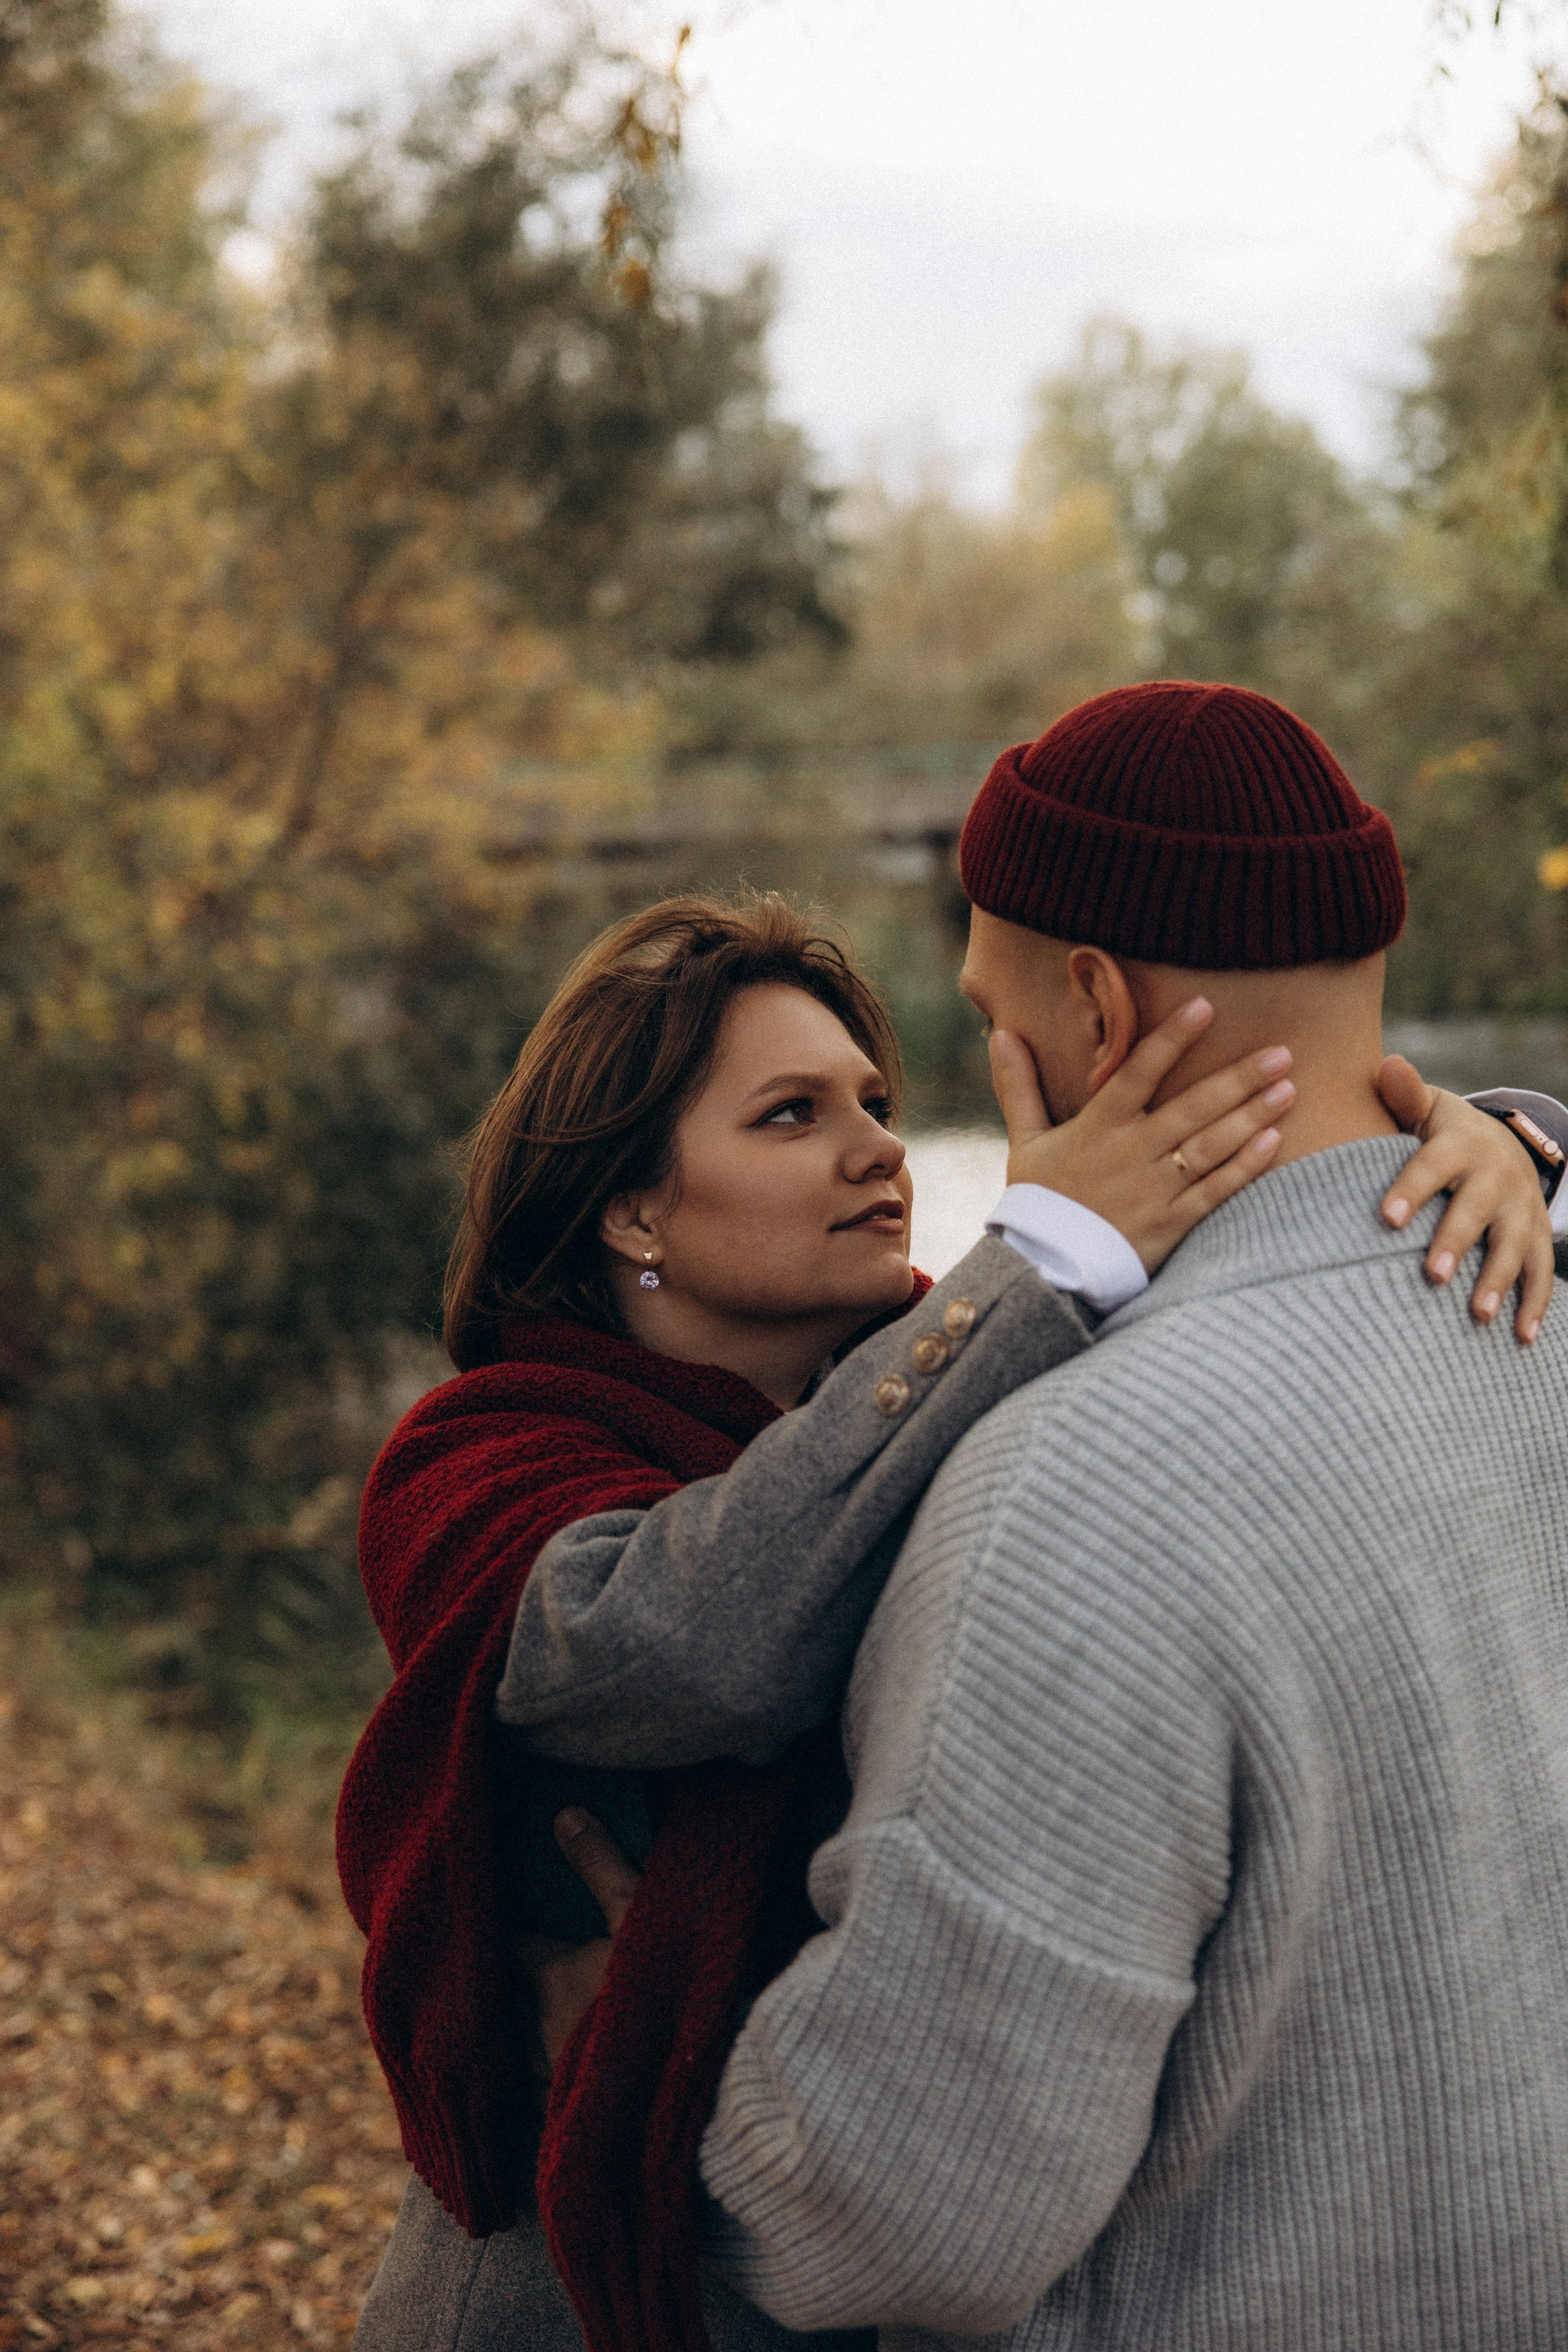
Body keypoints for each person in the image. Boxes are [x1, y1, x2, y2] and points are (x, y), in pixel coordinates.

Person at [343, 817, 1559, 2345]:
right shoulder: (483, 1453)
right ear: (632, 1208)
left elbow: (1255, 1318)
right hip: (569, 2280)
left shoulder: (931, 1379)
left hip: (831, 2230)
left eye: (871, 1100)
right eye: (788, 1116)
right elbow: (675, 1645)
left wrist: (1501, 1145)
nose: (872, 1148)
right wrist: (1043, 1253)